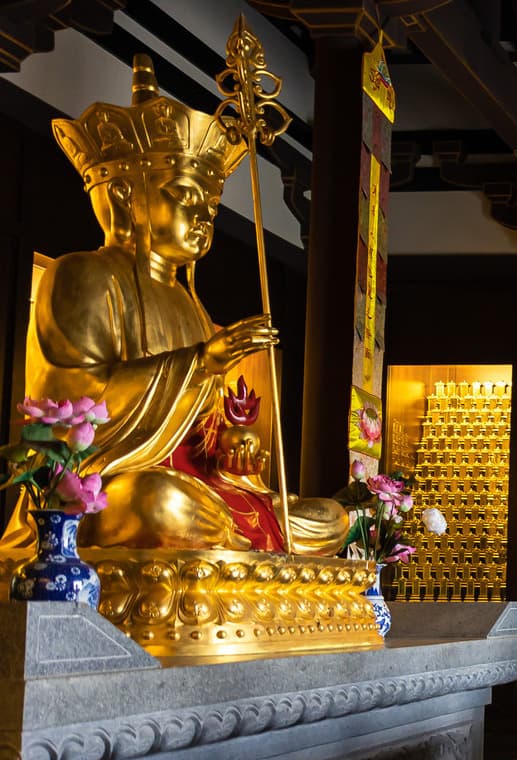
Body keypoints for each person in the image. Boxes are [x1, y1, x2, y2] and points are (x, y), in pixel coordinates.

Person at [2, 55, 347, 555]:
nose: (204, 215)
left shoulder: (190, 303)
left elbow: (201, 431)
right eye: (185, 196)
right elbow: (71, 405)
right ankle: (243, 558)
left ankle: (241, 555)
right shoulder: (82, 275)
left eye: (210, 204)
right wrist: (201, 361)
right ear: (123, 193)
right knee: (158, 504)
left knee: (329, 518)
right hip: (113, 484)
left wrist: (232, 445)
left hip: (200, 488)